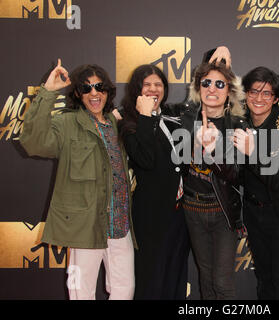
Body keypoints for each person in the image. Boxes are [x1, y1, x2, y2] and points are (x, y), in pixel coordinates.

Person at [19, 59, 136, 300]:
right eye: (86, 88)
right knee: (81, 293)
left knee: (125, 290)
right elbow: (33, 142)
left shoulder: (116, 124)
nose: (94, 93)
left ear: (108, 91)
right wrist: (48, 92)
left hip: (120, 225)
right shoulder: (67, 123)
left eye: (99, 87)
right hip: (84, 226)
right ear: (78, 94)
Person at [234, 66, 279, 299]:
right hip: (254, 213)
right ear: (246, 94)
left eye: (266, 94)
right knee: (264, 278)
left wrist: (252, 151)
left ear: (275, 98)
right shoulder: (239, 123)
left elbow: (277, 179)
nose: (259, 98)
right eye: (254, 92)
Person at [119, 64, 190, 299]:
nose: (153, 89)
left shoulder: (172, 117)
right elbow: (145, 159)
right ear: (136, 89)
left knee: (175, 275)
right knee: (151, 276)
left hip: (179, 212)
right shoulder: (128, 123)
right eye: (147, 84)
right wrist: (145, 116)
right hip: (150, 214)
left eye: (158, 84)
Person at [180, 61, 248, 299]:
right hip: (192, 209)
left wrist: (213, 150)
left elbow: (237, 175)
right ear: (198, 88)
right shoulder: (186, 119)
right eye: (206, 83)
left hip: (223, 211)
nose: (212, 88)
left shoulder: (238, 125)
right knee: (206, 278)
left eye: (220, 84)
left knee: (222, 281)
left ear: (229, 91)